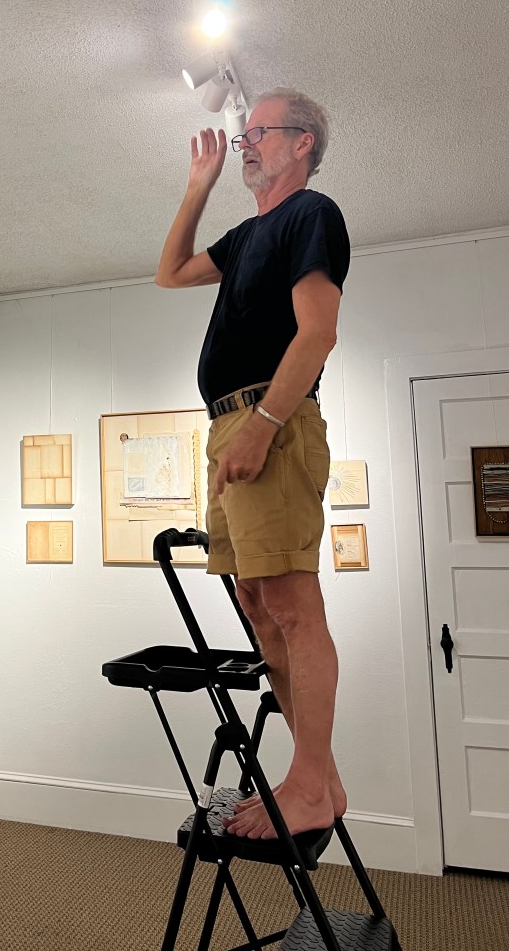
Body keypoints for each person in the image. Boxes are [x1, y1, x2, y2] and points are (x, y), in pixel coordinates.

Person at [155, 88, 350, 840]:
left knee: (292, 606)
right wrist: (198, 187)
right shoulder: (246, 235)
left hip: (271, 419)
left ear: (303, 143)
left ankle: (307, 787)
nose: (246, 142)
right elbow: (171, 272)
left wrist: (264, 425)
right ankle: (318, 778)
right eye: (247, 134)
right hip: (228, 424)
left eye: (260, 131)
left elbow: (318, 332)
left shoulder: (312, 214)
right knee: (257, 603)